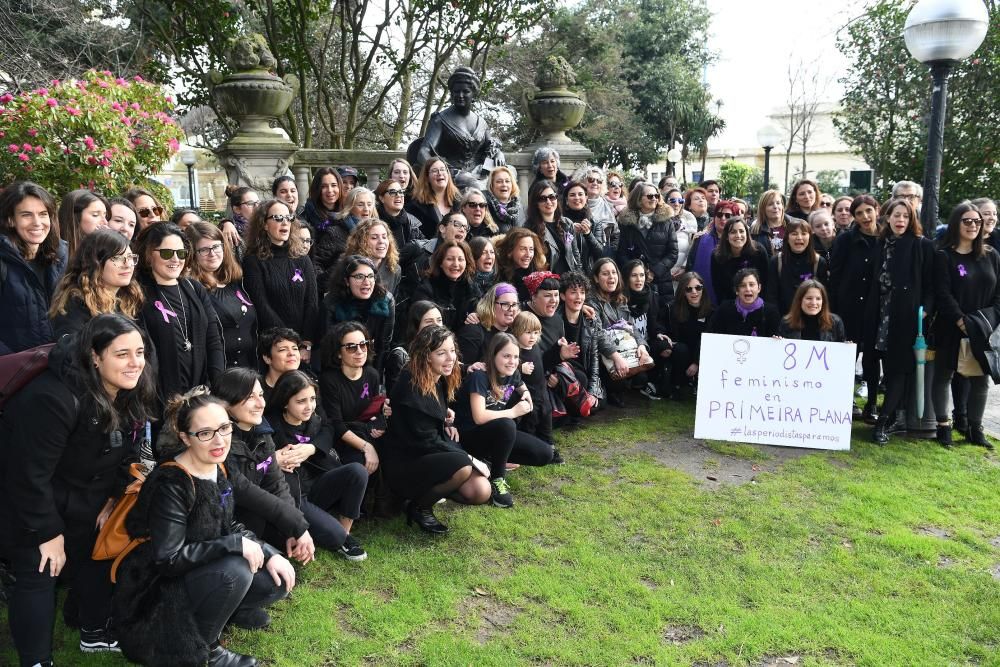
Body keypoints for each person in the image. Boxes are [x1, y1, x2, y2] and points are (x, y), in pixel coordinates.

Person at [1, 314, 157, 664]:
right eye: (122, 354)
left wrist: (114, 498)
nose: (135, 363)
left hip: (87, 495)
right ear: (94, 357)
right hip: (33, 502)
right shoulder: (52, 399)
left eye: (140, 352)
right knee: (40, 568)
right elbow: (27, 475)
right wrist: (48, 532)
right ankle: (37, 659)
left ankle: (95, 631)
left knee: (99, 550)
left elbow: (129, 452)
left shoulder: (127, 389)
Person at [114, 388, 294, 667]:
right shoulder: (172, 483)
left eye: (224, 428)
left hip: (196, 565)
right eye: (205, 433)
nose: (219, 440)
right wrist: (234, 545)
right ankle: (209, 648)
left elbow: (228, 523)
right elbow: (168, 560)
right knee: (236, 572)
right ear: (185, 437)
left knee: (275, 580)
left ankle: (225, 610)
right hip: (156, 587)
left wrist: (271, 553)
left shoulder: (218, 467)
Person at [378, 325, 492, 533]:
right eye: (441, 353)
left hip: (429, 452)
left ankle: (432, 490)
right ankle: (419, 507)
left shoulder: (436, 375)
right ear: (426, 356)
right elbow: (426, 440)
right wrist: (470, 459)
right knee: (463, 465)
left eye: (452, 350)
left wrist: (445, 415)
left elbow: (433, 415)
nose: (450, 358)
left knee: (481, 491)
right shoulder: (411, 384)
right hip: (406, 461)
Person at [212, 367, 316, 562]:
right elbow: (242, 489)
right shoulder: (217, 441)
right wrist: (296, 524)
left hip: (255, 516)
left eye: (261, 395)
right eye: (250, 397)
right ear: (225, 403)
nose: (261, 403)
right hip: (225, 525)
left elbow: (276, 482)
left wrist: (292, 528)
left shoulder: (262, 432)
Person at [267, 369, 369, 559]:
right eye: (301, 401)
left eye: (312, 399)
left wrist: (311, 448)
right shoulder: (270, 426)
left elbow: (328, 428)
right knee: (332, 535)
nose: (309, 406)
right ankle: (326, 533)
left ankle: (345, 535)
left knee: (357, 471)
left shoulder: (315, 420)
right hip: (295, 497)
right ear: (284, 402)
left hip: (319, 485)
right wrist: (276, 458)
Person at [453, 332, 555, 507]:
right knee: (507, 425)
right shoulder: (480, 376)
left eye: (515, 356)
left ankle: (493, 459)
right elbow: (479, 417)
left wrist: (526, 393)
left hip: (496, 434)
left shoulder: (512, 373)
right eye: (506, 356)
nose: (512, 361)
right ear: (493, 356)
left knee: (545, 454)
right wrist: (514, 412)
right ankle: (498, 480)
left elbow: (519, 382)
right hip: (470, 437)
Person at [864, 197, 935, 445]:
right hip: (880, 313)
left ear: (912, 219)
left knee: (898, 369)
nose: (901, 220)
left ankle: (883, 422)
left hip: (906, 316)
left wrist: (925, 310)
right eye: (896, 215)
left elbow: (931, 283)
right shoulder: (881, 243)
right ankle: (891, 416)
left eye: (906, 216)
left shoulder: (921, 245)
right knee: (879, 363)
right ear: (887, 218)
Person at [932, 202, 1000, 448]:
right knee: (944, 374)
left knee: (981, 379)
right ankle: (943, 427)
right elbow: (942, 293)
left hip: (984, 328)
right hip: (953, 326)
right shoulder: (944, 256)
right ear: (956, 224)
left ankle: (975, 429)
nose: (973, 225)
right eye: (968, 221)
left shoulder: (991, 255)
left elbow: (998, 293)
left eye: (977, 221)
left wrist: (989, 320)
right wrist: (961, 320)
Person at [134, 222, 225, 402]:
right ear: (149, 254)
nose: (175, 259)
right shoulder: (137, 293)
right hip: (159, 398)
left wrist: (216, 387)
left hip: (202, 395)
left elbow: (213, 339)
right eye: (167, 253)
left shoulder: (194, 287)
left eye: (181, 253)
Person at [242, 198, 319, 354]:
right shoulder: (253, 261)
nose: (285, 222)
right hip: (274, 344)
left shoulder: (303, 260)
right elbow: (261, 306)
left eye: (288, 217)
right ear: (264, 224)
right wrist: (289, 342)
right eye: (278, 218)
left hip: (303, 348)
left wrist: (305, 343)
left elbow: (312, 304)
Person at [0, 181, 69, 354]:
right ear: (10, 220)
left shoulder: (63, 256)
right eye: (26, 215)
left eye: (43, 214)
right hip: (15, 371)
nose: (37, 222)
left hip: (60, 365)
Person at [830, 194, 882, 422]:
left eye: (868, 211)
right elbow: (836, 274)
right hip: (848, 306)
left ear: (877, 210)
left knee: (872, 358)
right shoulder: (845, 240)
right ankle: (845, 400)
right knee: (847, 356)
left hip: (875, 307)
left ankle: (872, 403)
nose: (865, 217)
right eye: (859, 213)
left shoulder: (886, 239)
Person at [413, 66, 505, 182]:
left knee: (509, 173)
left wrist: (499, 154)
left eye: (465, 91)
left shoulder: (482, 123)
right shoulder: (440, 120)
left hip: (479, 172)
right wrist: (439, 170)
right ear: (451, 94)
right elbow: (423, 151)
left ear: (473, 94)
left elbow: (490, 147)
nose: (460, 95)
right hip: (451, 175)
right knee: (473, 184)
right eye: (456, 91)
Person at [186, 221, 258, 369]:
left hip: (251, 368)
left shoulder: (237, 282)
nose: (212, 254)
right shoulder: (192, 290)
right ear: (192, 253)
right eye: (204, 250)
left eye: (216, 246)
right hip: (222, 373)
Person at [49, 229, 144, 338]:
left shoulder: (131, 296)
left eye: (130, 257)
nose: (127, 264)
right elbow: (75, 351)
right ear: (94, 264)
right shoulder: (76, 303)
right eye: (117, 258)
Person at [586, 258, 653, 407]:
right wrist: (616, 357)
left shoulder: (620, 298)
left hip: (624, 348)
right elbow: (598, 334)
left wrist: (641, 345)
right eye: (605, 274)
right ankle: (611, 390)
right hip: (602, 355)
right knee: (619, 379)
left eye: (614, 272)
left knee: (642, 376)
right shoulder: (591, 302)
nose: (611, 277)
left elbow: (631, 326)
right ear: (596, 278)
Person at [318, 322, 385, 470]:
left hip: (367, 431)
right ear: (338, 353)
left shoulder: (372, 374)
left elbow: (374, 410)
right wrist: (366, 447)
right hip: (343, 439)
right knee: (360, 463)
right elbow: (336, 425)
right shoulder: (329, 380)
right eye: (351, 347)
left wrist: (379, 423)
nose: (360, 351)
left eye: (363, 344)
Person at [322, 255, 395, 374]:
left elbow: (383, 346)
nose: (366, 282)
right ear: (346, 281)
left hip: (370, 362)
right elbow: (329, 347)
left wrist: (374, 377)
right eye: (359, 277)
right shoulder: (331, 303)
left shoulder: (386, 301)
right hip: (338, 365)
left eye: (371, 276)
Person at [615, 181, 679, 300]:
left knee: (662, 315)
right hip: (635, 282)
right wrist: (637, 272)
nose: (654, 198)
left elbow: (673, 253)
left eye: (657, 196)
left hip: (661, 282)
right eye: (650, 196)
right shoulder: (626, 223)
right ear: (639, 199)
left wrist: (654, 271)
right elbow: (622, 253)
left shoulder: (666, 221)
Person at [558, 270, 603, 417]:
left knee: (598, 404)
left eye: (582, 292)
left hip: (584, 372)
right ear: (563, 296)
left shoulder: (591, 320)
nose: (579, 297)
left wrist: (592, 391)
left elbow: (594, 357)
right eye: (573, 292)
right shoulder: (555, 319)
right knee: (580, 378)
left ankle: (582, 400)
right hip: (563, 374)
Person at [313, 186, 376, 289]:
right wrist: (337, 272)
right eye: (360, 204)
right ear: (350, 207)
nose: (366, 209)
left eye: (369, 204)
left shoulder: (377, 232)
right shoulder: (334, 233)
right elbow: (316, 264)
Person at [622, 259, 668, 399]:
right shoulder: (621, 298)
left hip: (647, 343)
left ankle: (653, 380)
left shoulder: (651, 295)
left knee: (665, 346)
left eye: (641, 275)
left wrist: (659, 332)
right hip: (628, 347)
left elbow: (655, 321)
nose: (639, 279)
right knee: (640, 378)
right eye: (634, 275)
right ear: (626, 277)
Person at [411, 239, 481, 332]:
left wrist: (476, 315)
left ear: (466, 262)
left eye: (460, 259)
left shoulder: (471, 287)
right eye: (450, 259)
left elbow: (483, 309)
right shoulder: (426, 288)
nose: (456, 264)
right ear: (440, 262)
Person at [764, 217, 829, 314]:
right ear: (787, 238)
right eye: (794, 234)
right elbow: (771, 296)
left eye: (803, 234)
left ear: (810, 238)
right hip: (784, 317)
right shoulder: (776, 262)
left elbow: (824, 296)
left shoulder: (819, 262)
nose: (799, 237)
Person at [666, 272, 712, 398]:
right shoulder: (672, 308)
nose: (694, 292)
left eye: (698, 288)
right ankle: (677, 384)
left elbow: (709, 341)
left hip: (703, 354)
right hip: (680, 354)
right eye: (689, 289)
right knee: (681, 349)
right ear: (682, 291)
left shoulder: (711, 311)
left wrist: (697, 362)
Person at [383, 300, 443, 394]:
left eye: (439, 320)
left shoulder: (442, 350)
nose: (437, 326)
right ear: (416, 326)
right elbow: (395, 397)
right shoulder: (400, 356)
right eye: (429, 322)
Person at [526, 179, 582, 275]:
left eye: (552, 197)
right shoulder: (529, 228)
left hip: (569, 281)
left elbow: (576, 256)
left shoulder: (567, 223)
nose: (548, 202)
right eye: (542, 198)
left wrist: (579, 279)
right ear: (536, 203)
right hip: (548, 284)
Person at [457, 282, 520, 368]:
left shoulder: (517, 331)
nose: (511, 309)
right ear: (491, 305)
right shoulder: (473, 332)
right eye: (505, 304)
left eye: (514, 304)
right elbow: (460, 369)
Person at [686, 200, 736, 306]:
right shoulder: (700, 239)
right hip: (701, 300)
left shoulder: (739, 243)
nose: (723, 218)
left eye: (728, 215)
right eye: (719, 214)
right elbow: (689, 268)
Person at [711, 216, 768, 304]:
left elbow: (765, 281)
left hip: (757, 303)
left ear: (747, 234)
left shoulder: (758, 251)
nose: (738, 235)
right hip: (730, 304)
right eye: (733, 232)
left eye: (741, 231)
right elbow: (718, 287)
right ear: (726, 236)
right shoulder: (717, 256)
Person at [708, 268, 781, 337]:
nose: (748, 289)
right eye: (743, 286)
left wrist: (777, 339)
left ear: (759, 288)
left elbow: (776, 338)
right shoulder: (724, 309)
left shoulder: (771, 312)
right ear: (736, 290)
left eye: (751, 285)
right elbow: (712, 334)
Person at [343, 216, 402, 296]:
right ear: (361, 242)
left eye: (384, 237)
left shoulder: (395, 269)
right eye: (374, 238)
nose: (381, 241)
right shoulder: (347, 266)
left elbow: (391, 303)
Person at [406, 157, 460, 239]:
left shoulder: (459, 201)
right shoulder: (416, 206)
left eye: (442, 169)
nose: (439, 173)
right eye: (435, 171)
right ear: (427, 177)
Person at [778, 280, 845, 341]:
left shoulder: (835, 322)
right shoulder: (787, 322)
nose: (813, 303)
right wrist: (777, 343)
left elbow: (841, 350)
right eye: (809, 298)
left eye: (818, 299)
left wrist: (847, 347)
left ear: (823, 301)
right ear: (800, 300)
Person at [562, 180, 606, 273]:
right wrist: (569, 231)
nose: (577, 198)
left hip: (590, 274)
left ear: (586, 198)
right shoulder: (561, 222)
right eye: (572, 195)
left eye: (580, 194)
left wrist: (588, 233)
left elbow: (600, 254)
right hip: (567, 273)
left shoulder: (595, 222)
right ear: (566, 200)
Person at [495, 227, 547, 303]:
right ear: (510, 251)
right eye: (523, 249)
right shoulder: (498, 274)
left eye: (531, 249)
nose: (528, 254)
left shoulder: (538, 274)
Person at [258, 327, 307, 400]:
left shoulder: (307, 384)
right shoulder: (256, 389)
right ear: (267, 358)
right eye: (283, 350)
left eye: (295, 349)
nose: (291, 353)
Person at [58, 188, 109, 257]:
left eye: (105, 215)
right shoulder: (56, 253)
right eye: (95, 215)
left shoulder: (100, 249)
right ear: (74, 216)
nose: (105, 222)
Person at [578, 165, 618, 253]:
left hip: (603, 256)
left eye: (599, 181)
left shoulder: (609, 207)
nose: (595, 183)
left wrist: (610, 255)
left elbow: (615, 236)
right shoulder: (576, 204)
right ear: (582, 182)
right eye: (591, 180)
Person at [375, 178, 424, 249]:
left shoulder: (412, 223)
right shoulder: (373, 222)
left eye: (401, 192)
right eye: (392, 192)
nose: (398, 195)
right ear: (381, 198)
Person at [666, 187, 697, 285]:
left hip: (683, 274)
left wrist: (684, 267)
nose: (676, 204)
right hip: (663, 274)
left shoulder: (689, 220)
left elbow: (693, 247)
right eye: (672, 200)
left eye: (680, 200)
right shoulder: (658, 221)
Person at [750, 190, 793, 255]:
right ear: (763, 209)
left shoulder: (794, 225)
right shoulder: (755, 230)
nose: (775, 207)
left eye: (778, 203)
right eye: (770, 204)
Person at [302, 167, 343, 231]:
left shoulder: (347, 214)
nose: (330, 190)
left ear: (339, 187)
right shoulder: (306, 216)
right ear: (317, 189)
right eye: (324, 186)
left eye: (334, 185)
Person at [484, 165, 524, 232]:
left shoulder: (519, 207)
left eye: (507, 181)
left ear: (512, 185)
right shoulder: (485, 207)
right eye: (499, 181)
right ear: (492, 186)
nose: (504, 184)